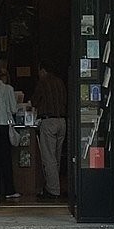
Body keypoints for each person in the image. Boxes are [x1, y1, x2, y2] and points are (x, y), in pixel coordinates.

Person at [31, 65, 67, 200]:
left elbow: (35, 100)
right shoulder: (60, 82)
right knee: (57, 157)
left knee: (49, 158)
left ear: (42, 70)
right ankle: (54, 185)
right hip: (62, 121)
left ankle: (53, 190)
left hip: (49, 121)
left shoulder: (43, 82)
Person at [0, 67, 20, 200]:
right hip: (3, 125)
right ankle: (8, 189)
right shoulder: (8, 89)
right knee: (5, 159)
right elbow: (13, 109)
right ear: (5, 76)